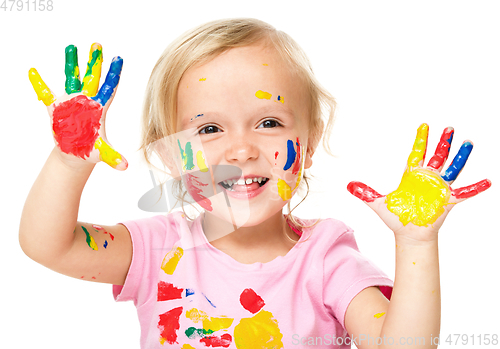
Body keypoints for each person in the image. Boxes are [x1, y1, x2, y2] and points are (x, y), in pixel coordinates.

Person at [19, 18, 491, 348]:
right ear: (170, 153)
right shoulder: (155, 250)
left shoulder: (326, 260)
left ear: (307, 143)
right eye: (208, 129)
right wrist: (69, 159)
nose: (241, 150)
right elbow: (48, 245)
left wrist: (415, 243)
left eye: (268, 123)